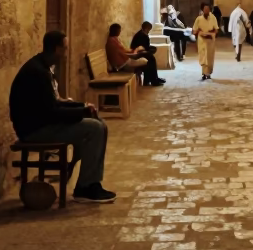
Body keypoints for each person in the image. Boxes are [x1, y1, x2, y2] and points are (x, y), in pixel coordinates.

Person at [9, 30, 116, 203]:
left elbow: (53, 103)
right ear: (57, 49)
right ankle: (85, 187)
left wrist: (82, 107)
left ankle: (91, 182)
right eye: (65, 48)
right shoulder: (38, 73)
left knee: (97, 123)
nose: (66, 53)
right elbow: (51, 113)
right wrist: (81, 113)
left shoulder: (42, 67)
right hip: (34, 130)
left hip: (40, 123)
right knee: (95, 128)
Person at [106, 22, 165, 87]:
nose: (120, 32)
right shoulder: (113, 41)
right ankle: (153, 80)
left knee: (150, 58)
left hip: (126, 60)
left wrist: (134, 51)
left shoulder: (114, 39)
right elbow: (123, 52)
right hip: (123, 63)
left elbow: (123, 50)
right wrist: (134, 51)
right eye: (119, 30)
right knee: (149, 60)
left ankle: (152, 80)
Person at [193, 2, 219, 80]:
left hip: (210, 41)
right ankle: (204, 73)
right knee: (203, 57)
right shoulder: (199, 19)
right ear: (202, 10)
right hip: (202, 41)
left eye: (208, 9)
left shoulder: (213, 18)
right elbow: (194, 30)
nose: (206, 11)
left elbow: (216, 29)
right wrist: (200, 33)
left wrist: (211, 33)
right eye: (205, 9)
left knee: (209, 58)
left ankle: (208, 73)